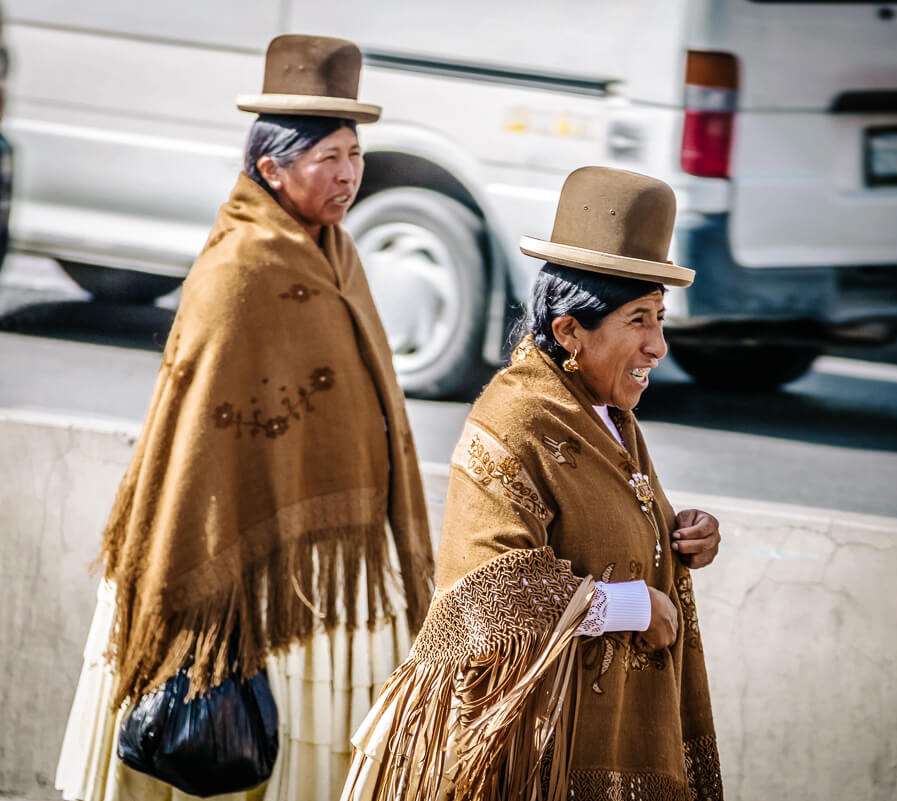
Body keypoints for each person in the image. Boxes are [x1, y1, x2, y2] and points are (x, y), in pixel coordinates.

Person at [54, 35, 435, 801]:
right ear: (271, 168)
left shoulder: (341, 255)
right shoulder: (238, 270)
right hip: (243, 579)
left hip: (336, 568)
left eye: (355, 153)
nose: (349, 174)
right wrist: (221, 578)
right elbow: (200, 443)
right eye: (329, 156)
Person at [341, 166, 724, 801]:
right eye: (638, 320)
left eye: (660, 317)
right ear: (571, 331)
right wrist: (635, 605)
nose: (658, 345)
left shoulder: (605, 413)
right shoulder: (515, 420)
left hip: (607, 731)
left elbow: (602, 519)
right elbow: (487, 594)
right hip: (529, 751)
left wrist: (676, 533)